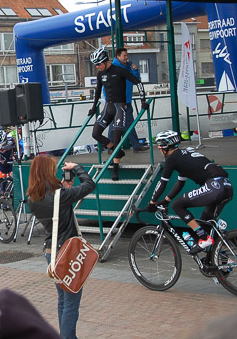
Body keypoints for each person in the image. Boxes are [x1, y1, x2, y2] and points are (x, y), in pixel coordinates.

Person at [27, 155, 96, 339]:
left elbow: (55, 206)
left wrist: (62, 189)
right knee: (72, 302)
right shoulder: (61, 196)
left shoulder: (32, 199)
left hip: (52, 253)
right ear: (47, 172)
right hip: (68, 253)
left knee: (63, 301)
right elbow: (90, 185)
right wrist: (77, 167)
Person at [146, 130, 233, 254]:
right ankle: (222, 259)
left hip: (214, 186)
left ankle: (204, 239)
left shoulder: (172, 159)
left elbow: (162, 183)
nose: (160, 150)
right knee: (205, 224)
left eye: (160, 147)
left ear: (165, 147)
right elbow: (180, 183)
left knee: (177, 205)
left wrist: (152, 202)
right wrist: (165, 200)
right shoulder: (185, 154)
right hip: (226, 186)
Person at [88, 47, 148, 181]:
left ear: (104, 60)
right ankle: (117, 151)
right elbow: (97, 91)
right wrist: (93, 108)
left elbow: (138, 83)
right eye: (95, 65)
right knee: (95, 133)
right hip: (108, 107)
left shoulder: (119, 70)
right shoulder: (100, 74)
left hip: (120, 106)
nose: (97, 67)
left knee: (116, 136)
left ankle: (115, 168)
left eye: (98, 64)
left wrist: (143, 101)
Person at [107, 48, 150, 153]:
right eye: (124, 56)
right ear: (118, 56)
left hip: (126, 100)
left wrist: (135, 70)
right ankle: (111, 147)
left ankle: (136, 145)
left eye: (127, 55)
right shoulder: (113, 68)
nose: (127, 58)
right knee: (114, 124)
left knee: (129, 123)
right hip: (116, 101)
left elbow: (135, 79)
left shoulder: (128, 66)